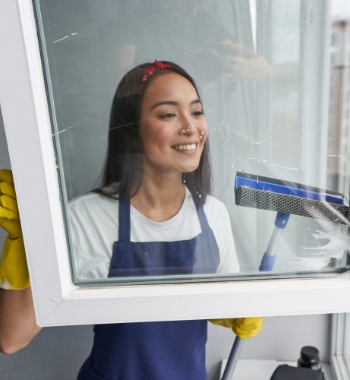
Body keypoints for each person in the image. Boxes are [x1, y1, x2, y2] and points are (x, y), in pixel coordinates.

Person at [0, 61, 263, 379]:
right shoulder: (85, 220)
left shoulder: (213, 214)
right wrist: (24, 246)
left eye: (196, 111)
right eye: (168, 114)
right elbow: (12, 338)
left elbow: (217, 298)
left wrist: (234, 314)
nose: (191, 127)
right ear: (131, 131)